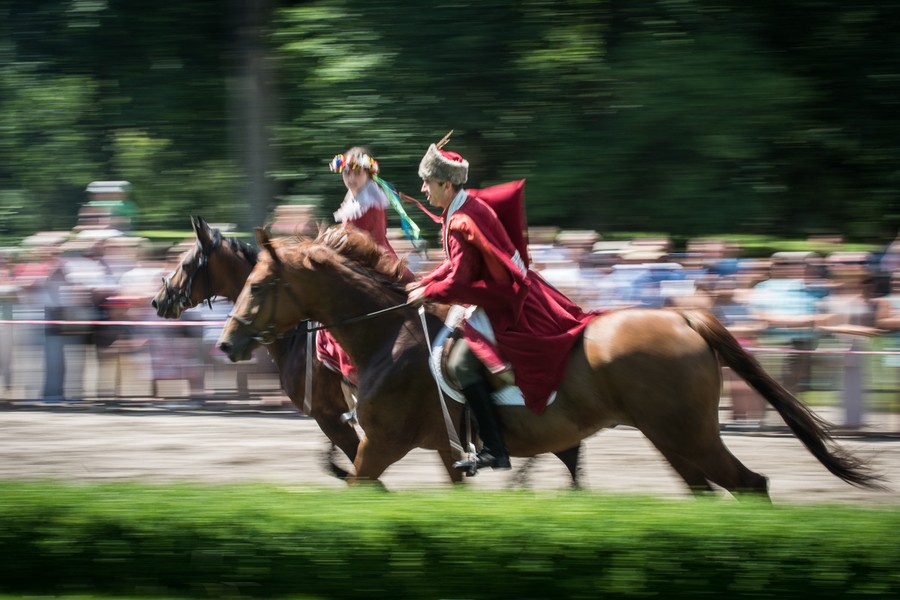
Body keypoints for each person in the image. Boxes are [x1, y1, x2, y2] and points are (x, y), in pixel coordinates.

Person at [406, 136, 595, 473]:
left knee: (462, 363)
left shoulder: (461, 220)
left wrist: (429, 292)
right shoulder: (461, 208)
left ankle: (495, 448)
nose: (423, 189)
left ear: (446, 185)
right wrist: (426, 281)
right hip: (505, 291)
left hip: (504, 300)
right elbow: (455, 267)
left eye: (427, 183)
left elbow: (461, 281)